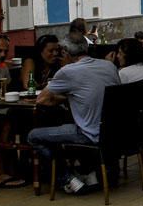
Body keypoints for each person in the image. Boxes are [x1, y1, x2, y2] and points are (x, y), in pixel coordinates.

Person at [29, 36, 120, 193]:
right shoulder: (109, 66)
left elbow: (42, 100)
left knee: (34, 136)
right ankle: (89, 173)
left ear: (65, 53)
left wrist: (66, 96)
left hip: (89, 133)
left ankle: (67, 179)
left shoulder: (68, 71)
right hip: (112, 131)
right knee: (66, 125)